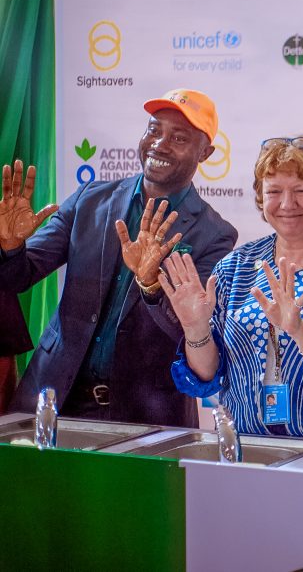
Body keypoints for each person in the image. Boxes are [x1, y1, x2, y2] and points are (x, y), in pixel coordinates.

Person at [0, 89, 237, 426]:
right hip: (52, 398)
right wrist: (10, 248)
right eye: (154, 130)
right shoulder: (89, 199)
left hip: (145, 416)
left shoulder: (214, 234)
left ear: (206, 152)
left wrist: (152, 285)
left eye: (179, 137)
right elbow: (18, 276)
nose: (160, 143)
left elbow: (189, 333)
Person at [164, 136, 303, 440]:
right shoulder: (234, 268)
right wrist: (195, 330)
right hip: (248, 448)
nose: (286, 204)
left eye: (302, 190)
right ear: (261, 199)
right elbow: (206, 376)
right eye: (274, 191)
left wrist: (299, 331)